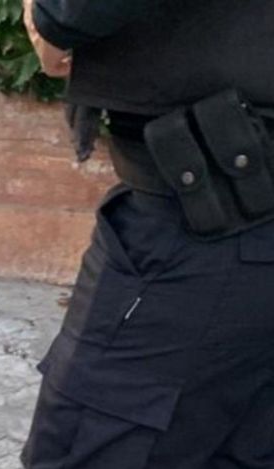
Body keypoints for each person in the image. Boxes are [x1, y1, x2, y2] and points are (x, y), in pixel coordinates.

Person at [21, 1, 274, 467]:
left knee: (85, 445)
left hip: (204, 227)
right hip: (221, 211)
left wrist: (46, 15)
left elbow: (68, 16)